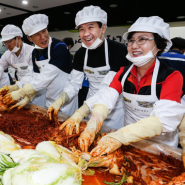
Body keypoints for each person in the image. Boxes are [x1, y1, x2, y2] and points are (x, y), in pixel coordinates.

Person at [71, 16, 185, 153]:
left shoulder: (171, 77)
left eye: (142, 39)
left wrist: (121, 135)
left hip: (161, 147)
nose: (134, 46)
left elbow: (163, 120)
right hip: (129, 144)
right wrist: (93, 124)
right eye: (131, 41)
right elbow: (106, 98)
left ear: (159, 45)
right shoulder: (123, 73)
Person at [48, 5, 130, 134]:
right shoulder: (81, 53)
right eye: (81, 29)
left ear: (103, 28)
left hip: (113, 109)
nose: (86, 34)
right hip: (90, 104)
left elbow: (109, 86)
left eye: (91, 27)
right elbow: (74, 83)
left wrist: (83, 110)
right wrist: (61, 99)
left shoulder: (119, 51)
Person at [2, 14, 77, 115]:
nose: (43, 37)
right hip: (50, 97)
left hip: (65, 99)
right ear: (30, 38)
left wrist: (21, 92)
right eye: (37, 34)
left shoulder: (59, 47)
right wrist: (16, 87)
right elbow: (35, 76)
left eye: (44, 31)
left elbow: (48, 74)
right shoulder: (35, 53)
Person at [0, 25, 35, 105]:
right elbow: (0, 67)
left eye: (9, 42)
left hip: (35, 91)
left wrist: (15, 87)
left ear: (19, 38)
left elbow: (33, 75)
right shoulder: (7, 55)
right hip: (20, 90)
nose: (7, 45)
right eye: (5, 43)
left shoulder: (32, 52)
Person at [158, 37, 185, 105]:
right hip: (181, 98)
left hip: (158, 95)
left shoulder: (157, 58)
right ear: (184, 50)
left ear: (169, 47)